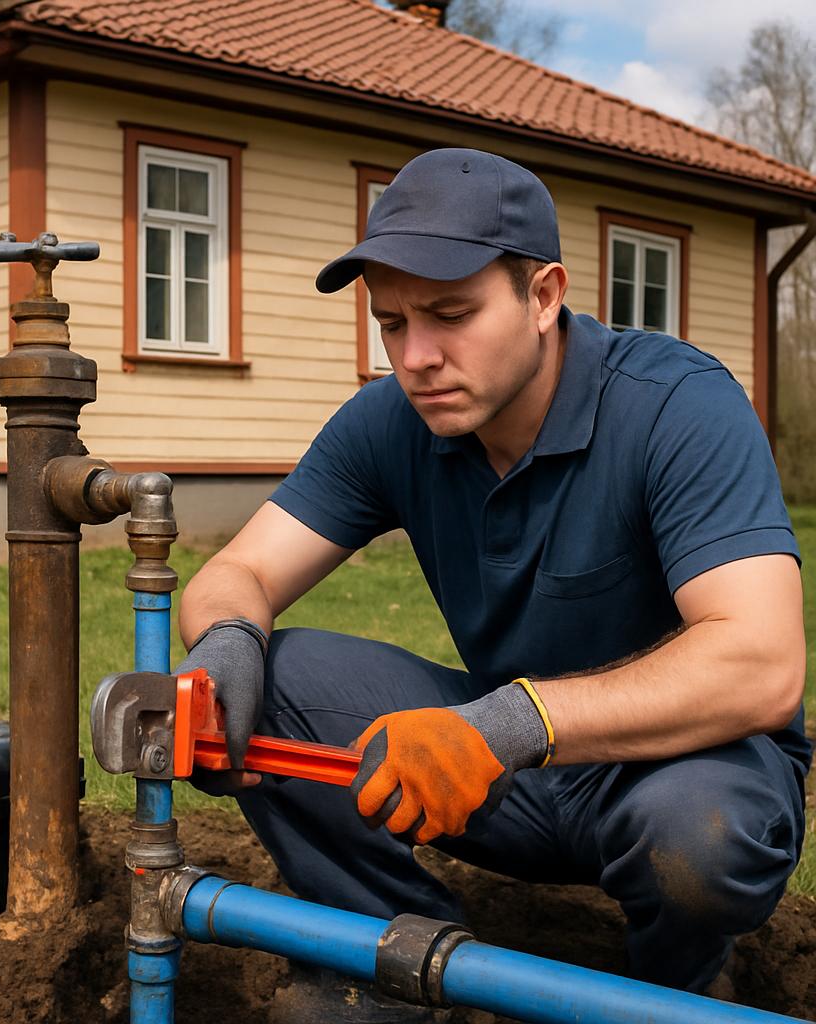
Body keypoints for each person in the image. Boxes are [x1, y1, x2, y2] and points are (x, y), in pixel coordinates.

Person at [176, 148, 810, 1022]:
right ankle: (393, 964)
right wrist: (225, 647)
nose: (417, 355)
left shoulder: (678, 405)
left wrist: (507, 724)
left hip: (679, 773)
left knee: (698, 837)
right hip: (505, 774)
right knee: (269, 677)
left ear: (544, 295)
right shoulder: (390, 422)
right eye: (392, 323)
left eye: (451, 314)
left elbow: (763, 663)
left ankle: (681, 983)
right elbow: (237, 571)